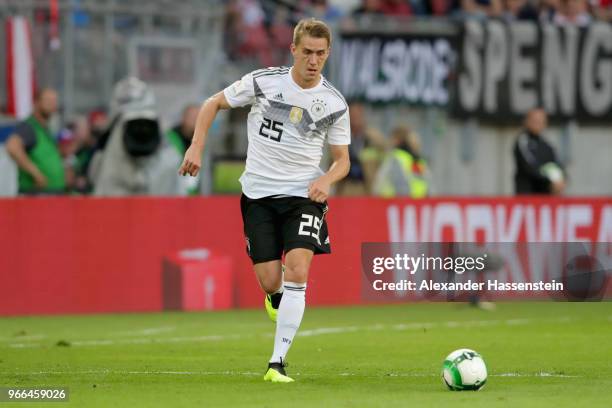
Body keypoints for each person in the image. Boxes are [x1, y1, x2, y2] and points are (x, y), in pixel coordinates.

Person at [179, 18, 350, 383]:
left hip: (304, 196)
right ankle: (275, 298)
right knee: (271, 279)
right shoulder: (264, 81)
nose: (313, 60)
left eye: (320, 54)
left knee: (298, 271)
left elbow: (343, 160)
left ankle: (277, 364)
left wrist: (327, 178)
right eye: (307, 52)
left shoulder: (334, 103)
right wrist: (196, 145)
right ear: (293, 50)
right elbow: (212, 104)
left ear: (328, 54)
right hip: (258, 195)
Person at [5, 87, 65, 194]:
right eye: (48, 101)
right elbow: (12, 147)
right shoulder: (29, 127)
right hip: (36, 194)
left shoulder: (45, 129)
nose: (53, 105)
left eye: (54, 101)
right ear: (37, 102)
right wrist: (36, 174)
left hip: (51, 193)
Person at [513, 108, 566, 195]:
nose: (538, 124)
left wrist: (561, 178)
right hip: (527, 196)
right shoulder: (522, 141)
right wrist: (550, 178)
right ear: (527, 121)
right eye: (535, 121)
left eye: (541, 121)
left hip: (546, 196)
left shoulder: (547, 143)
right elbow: (530, 167)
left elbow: (555, 163)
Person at [373, 125, 430, 198]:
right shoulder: (419, 160)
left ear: (397, 140)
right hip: (419, 203)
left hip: (396, 202)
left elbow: (383, 182)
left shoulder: (396, 157)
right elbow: (428, 184)